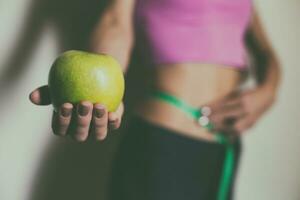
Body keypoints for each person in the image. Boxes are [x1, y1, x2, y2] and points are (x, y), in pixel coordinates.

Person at [29, 0, 281, 199]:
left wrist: (268, 90)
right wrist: (98, 85)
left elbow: (266, 52)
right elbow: (116, 21)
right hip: (164, 144)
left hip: (224, 150)